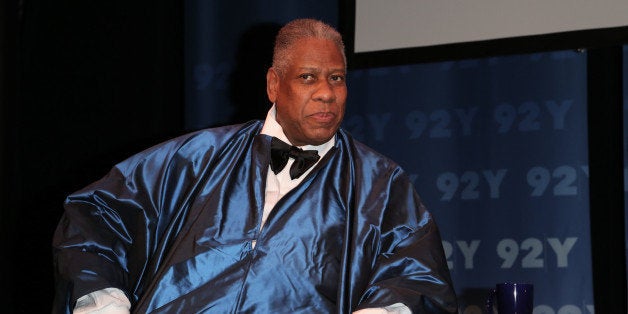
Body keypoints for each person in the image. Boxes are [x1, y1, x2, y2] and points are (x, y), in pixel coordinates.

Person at [52, 18, 458, 313]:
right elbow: (95, 216)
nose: (326, 94)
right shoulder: (195, 158)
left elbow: (417, 276)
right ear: (273, 85)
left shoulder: (380, 185)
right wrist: (103, 301)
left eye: (336, 78)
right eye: (308, 77)